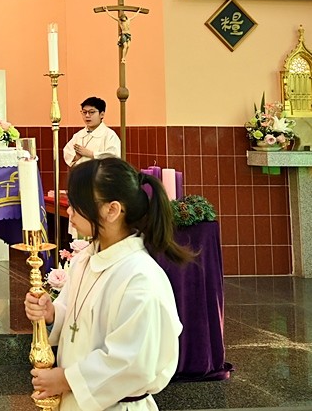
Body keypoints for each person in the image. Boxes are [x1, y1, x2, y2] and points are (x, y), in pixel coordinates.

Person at [24, 158, 192, 410]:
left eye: (77, 204)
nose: (69, 211)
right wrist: (52, 314)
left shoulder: (140, 277)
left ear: (112, 210)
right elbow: (77, 319)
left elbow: (134, 362)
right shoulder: (86, 258)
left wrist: (66, 379)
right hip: (75, 400)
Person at [63, 97, 121, 167]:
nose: (87, 115)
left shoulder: (109, 135)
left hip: (100, 173)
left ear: (101, 114)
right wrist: (75, 157)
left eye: (91, 112)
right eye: (84, 112)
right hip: (80, 172)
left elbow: (113, 157)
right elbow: (67, 153)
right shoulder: (78, 135)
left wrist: (91, 154)